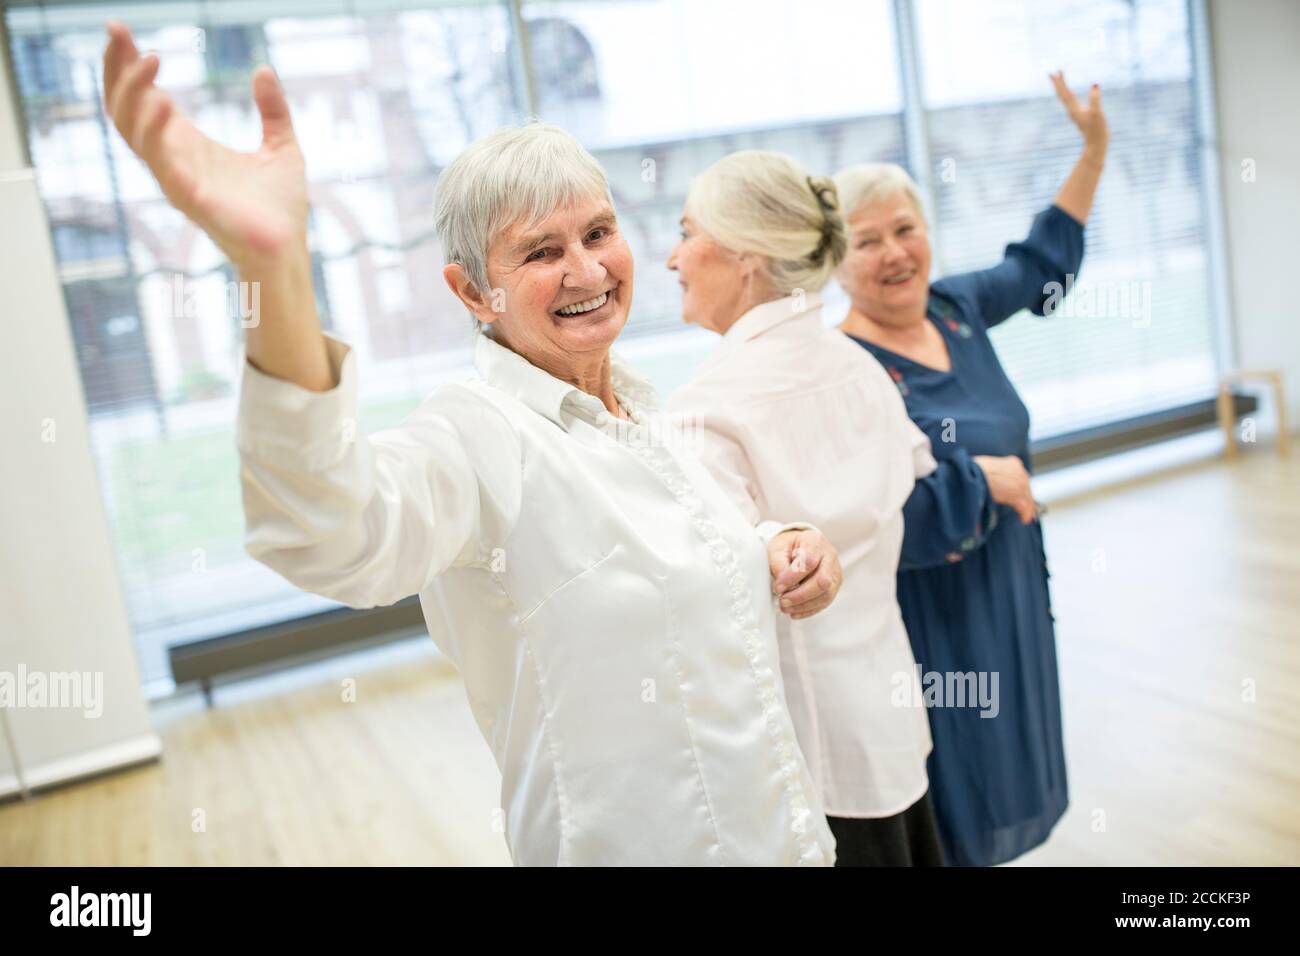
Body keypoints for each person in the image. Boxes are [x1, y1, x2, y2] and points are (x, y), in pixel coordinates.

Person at [101, 21, 846, 866]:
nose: (588, 271)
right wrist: (271, 271)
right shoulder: (475, 434)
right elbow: (335, 534)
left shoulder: (635, 407)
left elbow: (663, 566)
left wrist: (771, 545)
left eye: (598, 233)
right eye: (540, 252)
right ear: (471, 290)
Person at [833, 72, 1107, 866]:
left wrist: (1092, 152)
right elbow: (874, 511)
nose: (894, 254)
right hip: (931, 612)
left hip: (1011, 584)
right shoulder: (844, 366)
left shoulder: (953, 307)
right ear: (834, 263)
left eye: (906, 229)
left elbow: (1040, 265)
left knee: (1012, 766)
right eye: (867, 241)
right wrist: (987, 481)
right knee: (955, 790)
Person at [666, 151, 953, 865]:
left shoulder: (707, 408)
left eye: (686, 232)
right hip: (892, 722)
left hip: (807, 761)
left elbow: (712, 589)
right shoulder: (859, 366)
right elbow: (916, 476)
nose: (673, 258)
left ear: (746, 259)